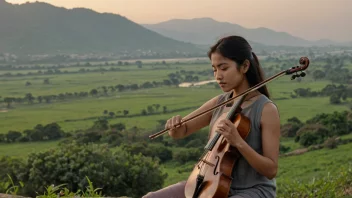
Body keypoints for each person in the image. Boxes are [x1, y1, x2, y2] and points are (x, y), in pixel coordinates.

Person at [143, 35, 281, 198]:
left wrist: (238, 142)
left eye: (223, 68)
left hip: (252, 190)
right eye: (214, 69)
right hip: (210, 181)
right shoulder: (219, 102)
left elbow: (271, 170)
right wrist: (174, 128)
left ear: (244, 66)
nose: (218, 76)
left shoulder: (266, 109)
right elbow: (183, 130)